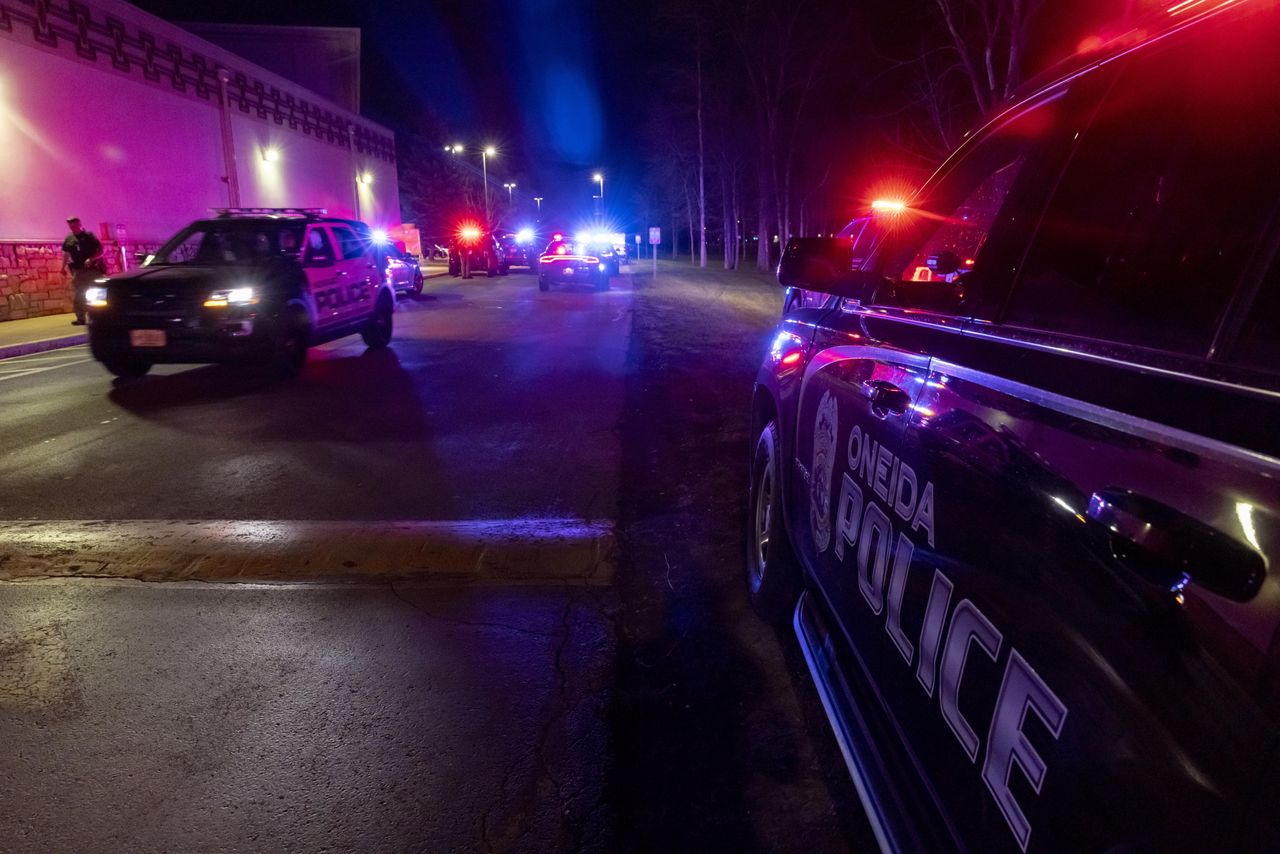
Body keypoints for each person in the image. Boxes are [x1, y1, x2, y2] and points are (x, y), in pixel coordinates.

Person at [61, 217, 104, 325]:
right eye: (71, 227)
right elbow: (66, 254)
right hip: (78, 270)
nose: (73, 228)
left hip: (93, 270)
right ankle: (80, 318)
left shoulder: (89, 236)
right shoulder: (69, 239)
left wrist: (92, 258)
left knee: (98, 294)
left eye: (75, 226)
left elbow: (101, 250)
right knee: (78, 295)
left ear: (80, 224)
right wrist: (62, 268)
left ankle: (100, 317)